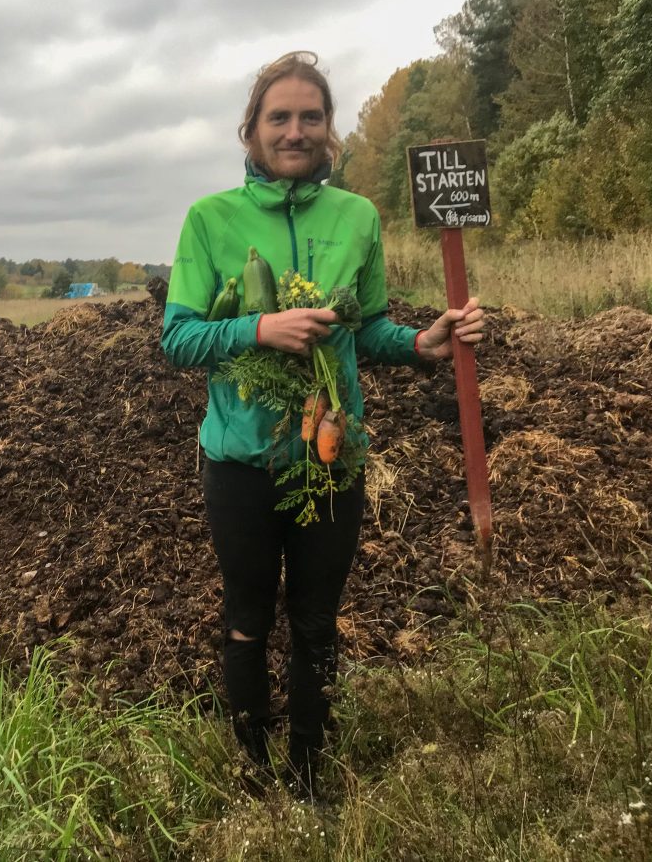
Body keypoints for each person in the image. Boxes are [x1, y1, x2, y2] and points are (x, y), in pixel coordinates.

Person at [159, 51, 485, 798]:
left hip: (332, 455)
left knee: (316, 621)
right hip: (240, 461)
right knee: (247, 616)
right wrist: (258, 328)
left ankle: (308, 773)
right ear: (251, 130)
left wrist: (422, 344)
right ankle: (253, 771)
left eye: (311, 117)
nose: (295, 131)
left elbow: (365, 329)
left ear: (329, 128)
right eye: (279, 117)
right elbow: (177, 339)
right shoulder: (210, 219)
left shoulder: (357, 216)